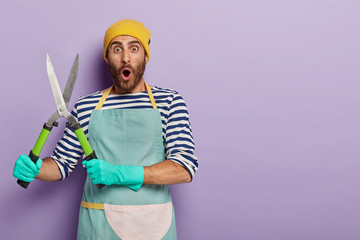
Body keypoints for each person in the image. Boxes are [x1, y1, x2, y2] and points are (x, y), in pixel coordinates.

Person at [13, 19, 198, 239]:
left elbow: (184, 168)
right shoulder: (86, 106)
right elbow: (62, 165)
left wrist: (120, 174)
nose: (125, 57)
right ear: (107, 57)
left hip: (154, 225)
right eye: (117, 48)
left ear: (145, 56)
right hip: (98, 226)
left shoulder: (170, 102)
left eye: (134, 48)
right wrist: (36, 169)